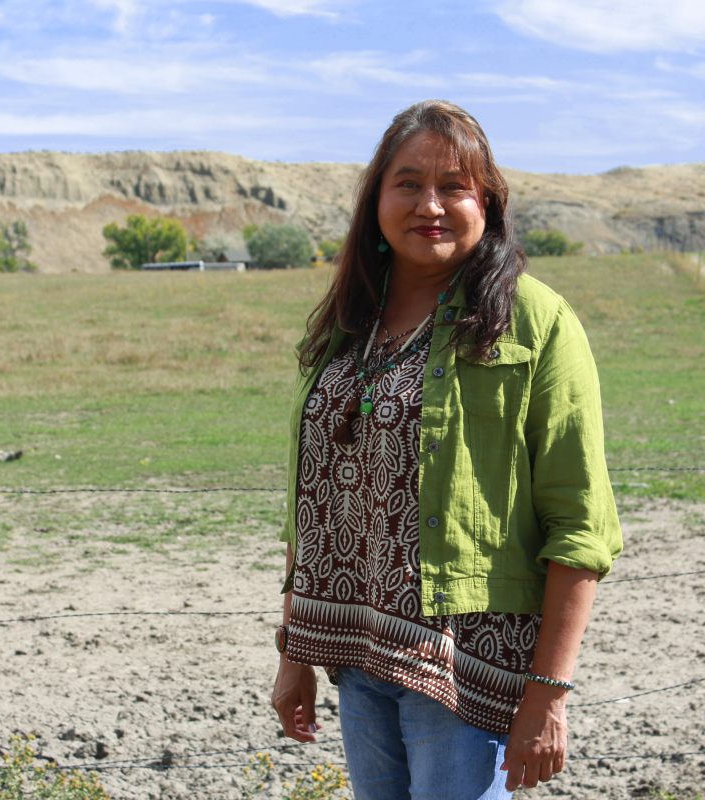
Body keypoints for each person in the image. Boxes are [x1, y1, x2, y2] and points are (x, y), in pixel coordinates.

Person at [270, 99, 623, 800]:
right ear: (377, 200)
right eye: (408, 184)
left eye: (453, 186)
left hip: (464, 666)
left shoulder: (534, 321)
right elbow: (306, 509)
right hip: (356, 655)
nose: (429, 204)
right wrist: (294, 654)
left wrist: (548, 694)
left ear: (486, 202)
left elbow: (581, 524)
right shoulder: (349, 324)